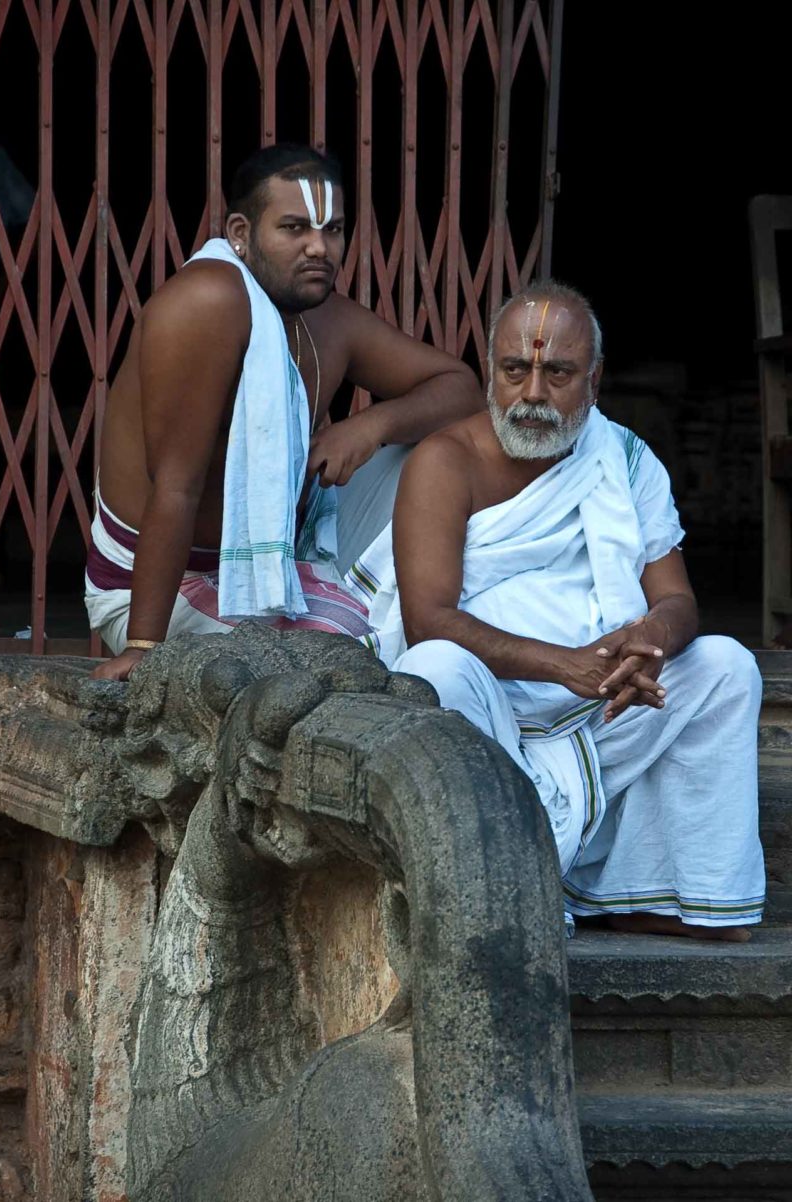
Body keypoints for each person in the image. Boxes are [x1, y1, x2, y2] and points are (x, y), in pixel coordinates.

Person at [347, 281, 765, 940]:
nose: (533, 393)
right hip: (492, 712)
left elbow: (677, 597)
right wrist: (560, 666)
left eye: (557, 373)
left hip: (605, 709)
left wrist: (650, 639)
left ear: (594, 381)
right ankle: (493, 885)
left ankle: (676, 895)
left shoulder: (624, 460)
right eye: (515, 371)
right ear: (493, 373)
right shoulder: (444, 460)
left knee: (726, 666)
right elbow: (429, 618)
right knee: (433, 666)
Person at [87, 144, 482, 680]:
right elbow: (175, 486)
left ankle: (427, 610)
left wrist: (369, 426)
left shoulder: (328, 318)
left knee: (434, 454)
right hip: (166, 584)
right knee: (365, 660)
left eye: (334, 230)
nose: (320, 248)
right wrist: (142, 646)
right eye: (295, 229)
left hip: (277, 560)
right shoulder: (205, 302)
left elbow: (461, 388)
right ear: (241, 235)